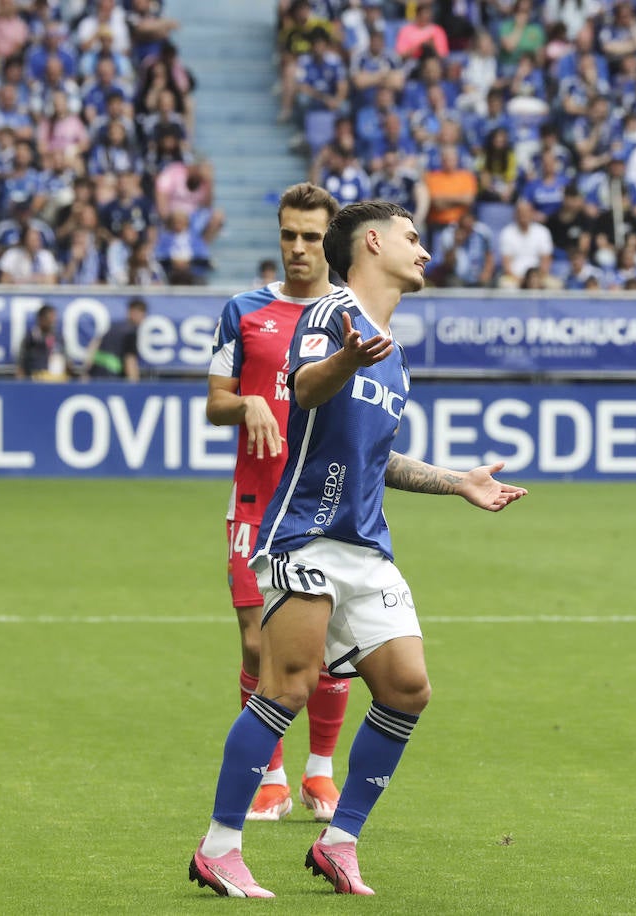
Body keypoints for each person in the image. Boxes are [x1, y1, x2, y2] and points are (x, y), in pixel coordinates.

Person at [189, 199, 527, 898]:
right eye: (412, 238)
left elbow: (382, 462)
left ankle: (338, 841)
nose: (424, 251)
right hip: (304, 532)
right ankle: (218, 847)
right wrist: (345, 355)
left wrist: (458, 481)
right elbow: (304, 391)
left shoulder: (392, 351)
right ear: (372, 242)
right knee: (288, 686)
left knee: (408, 690)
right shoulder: (330, 315)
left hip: (365, 546)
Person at [203, 184, 355, 825]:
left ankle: (321, 772)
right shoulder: (244, 310)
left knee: (324, 646)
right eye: (289, 235)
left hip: (324, 501)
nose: (297, 248)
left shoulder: (352, 315)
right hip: (255, 498)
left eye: (311, 237)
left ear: (331, 243)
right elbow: (216, 403)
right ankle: (271, 774)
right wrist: (250, 402)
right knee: (253, 643)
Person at [86, 297, 147, 380]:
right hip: (113, 380)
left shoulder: (112, 328)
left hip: (95, 377)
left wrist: (86, 374)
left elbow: (93, 347)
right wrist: (135, 385)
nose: (143, 318)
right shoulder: (131, 332)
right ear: (134, 313)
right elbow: (130, 360)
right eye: (142, 314)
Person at [15, 303, 71, 381]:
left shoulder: (58, 337)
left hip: (56, 379)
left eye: (54, 317)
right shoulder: (31, 337)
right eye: (50, 318)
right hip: (35, 378)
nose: (53, 321)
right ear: (41, 319)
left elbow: (66, 357)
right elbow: (21, 359)